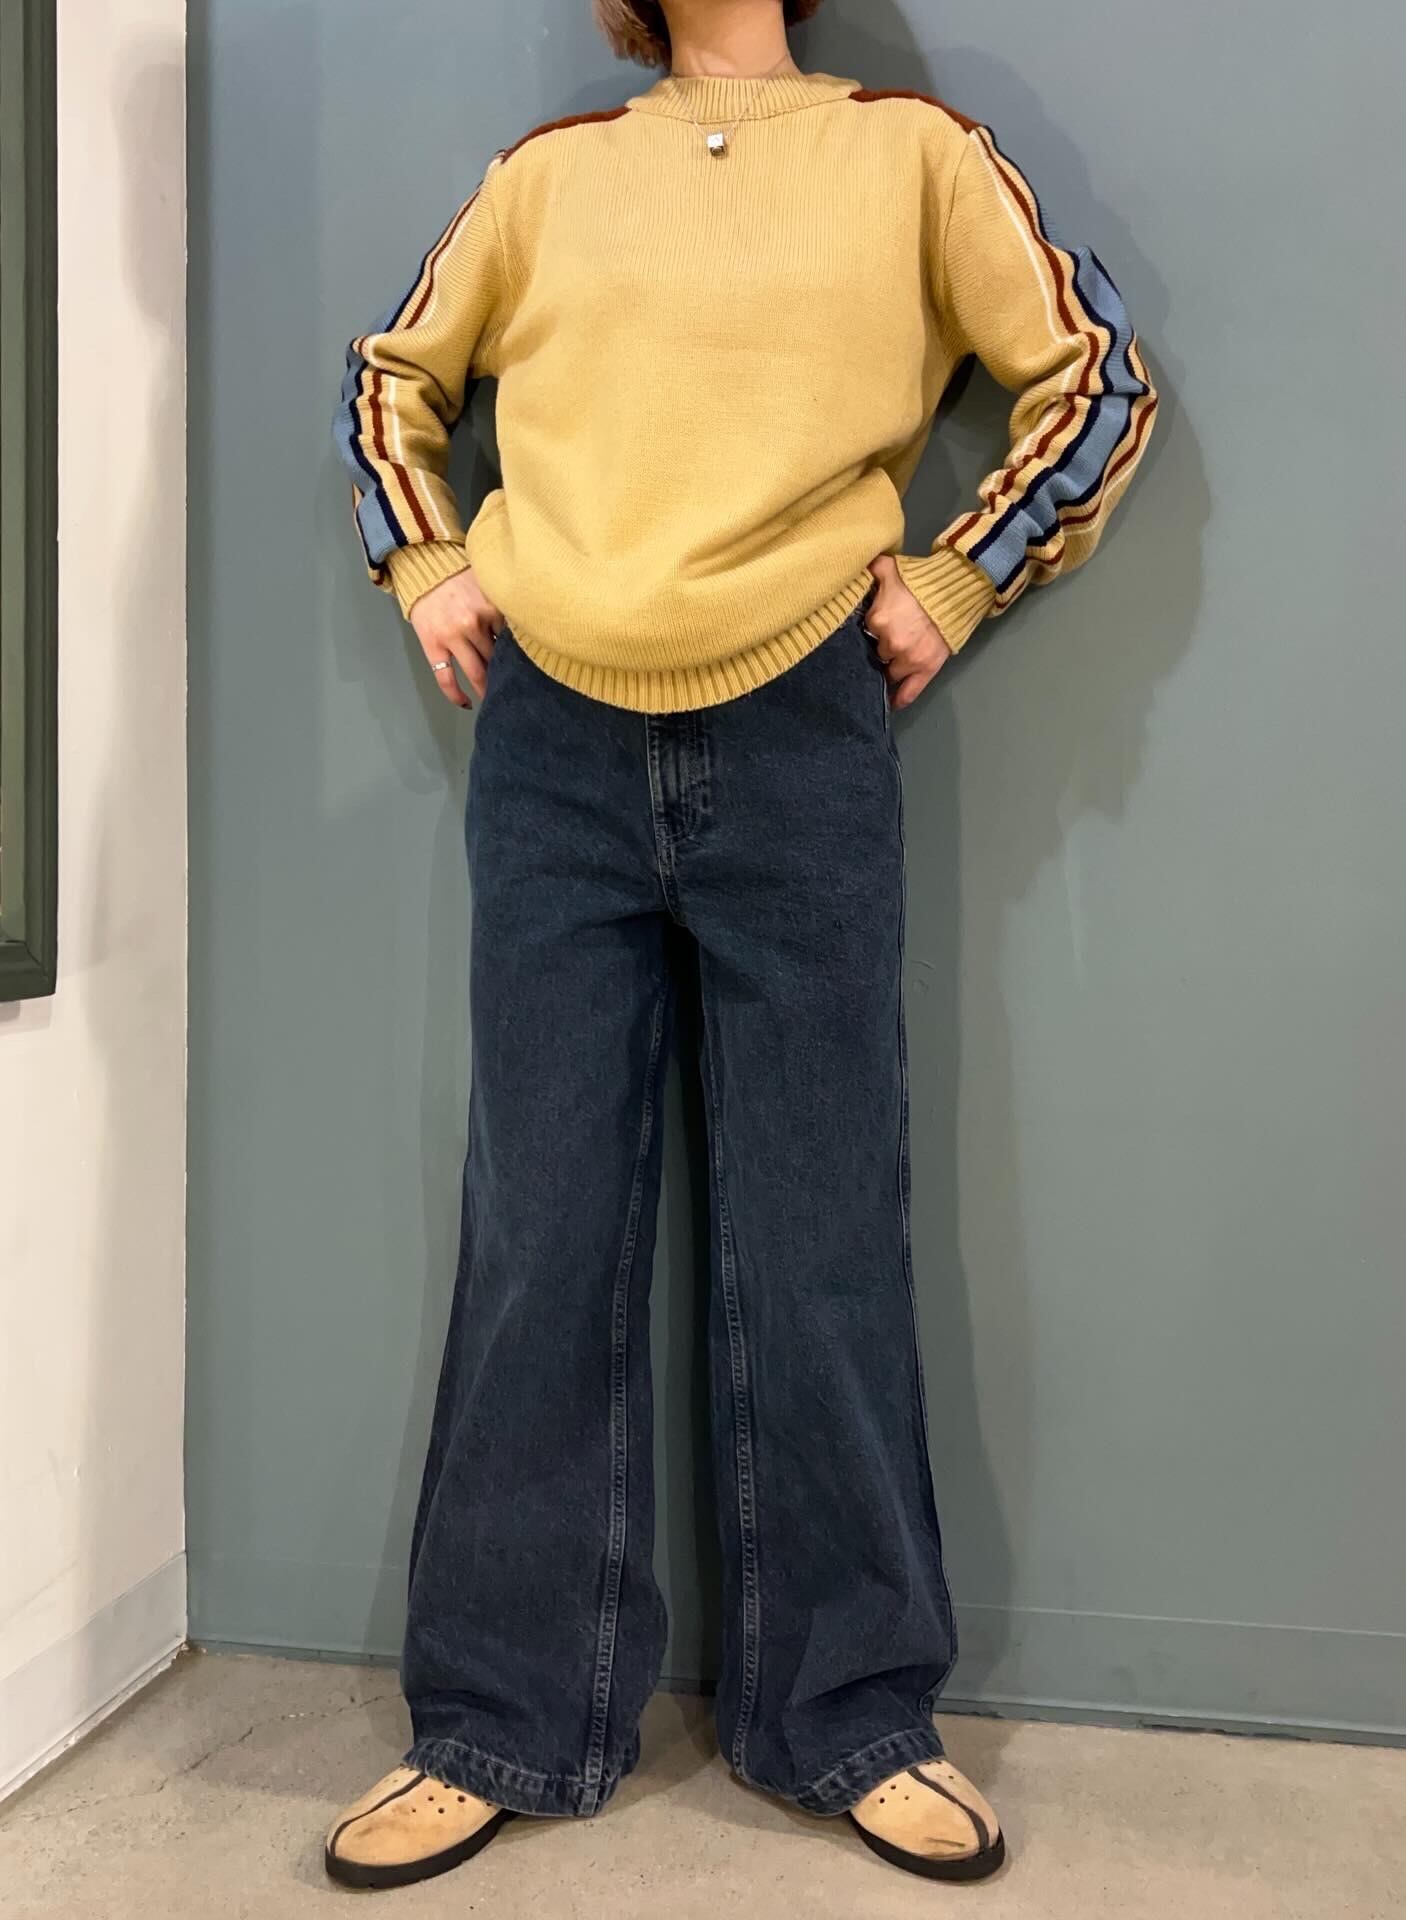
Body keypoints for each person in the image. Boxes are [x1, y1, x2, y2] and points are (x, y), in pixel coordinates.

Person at [324, 0, 1157, 1891]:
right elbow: (389, 378)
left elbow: (1099, 384)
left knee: (822, 1229)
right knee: (543, 1232)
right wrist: (425, 558)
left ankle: (853, 1712)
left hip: (803, 727)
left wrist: (964, 571)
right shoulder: (549, 178)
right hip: (551, 737)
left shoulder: (915, 154)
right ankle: (496, 1718)